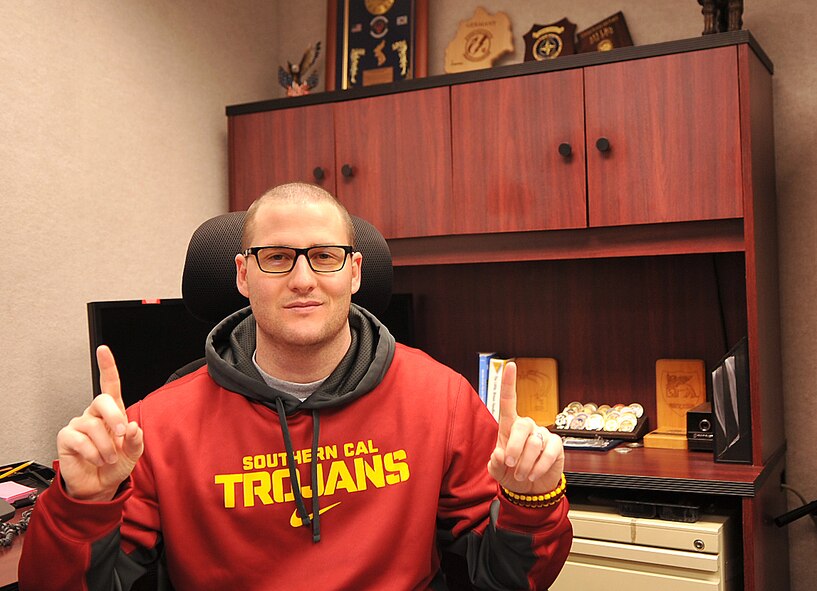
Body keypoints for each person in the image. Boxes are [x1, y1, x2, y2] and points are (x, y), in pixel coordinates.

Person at [19, 182, 572, 590]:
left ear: (354, 272)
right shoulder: (154, 426)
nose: (303, 279)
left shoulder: (442, 398)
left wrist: (531, 499)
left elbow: (510, 579)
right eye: (277, 258)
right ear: (242, 274)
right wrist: (82, 505)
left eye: (325, 257)